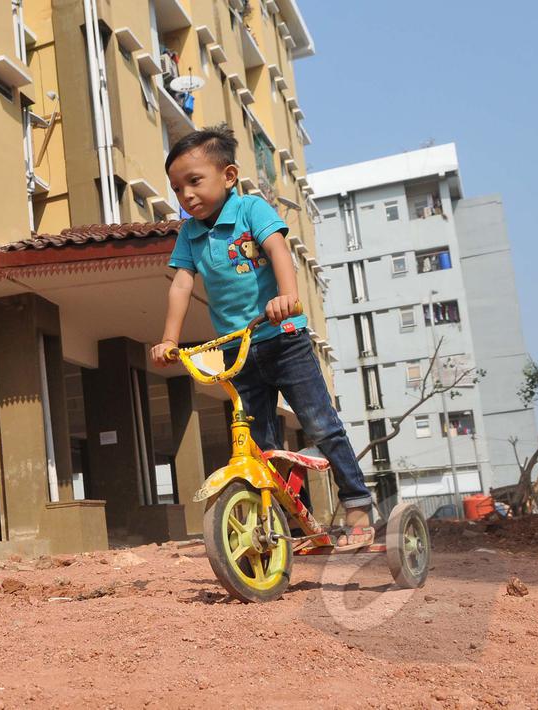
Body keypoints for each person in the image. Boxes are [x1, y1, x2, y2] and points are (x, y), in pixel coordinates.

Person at [150, 124, 375, 550]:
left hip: (283, 338)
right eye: (178, 189)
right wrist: (168, 339)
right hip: (238, 349)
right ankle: (282, 521)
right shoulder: (189, 234)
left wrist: (288, 296)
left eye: (194, 181)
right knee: (258, 442)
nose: (186, 196)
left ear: (229, 176)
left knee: (319, 423)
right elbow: (181, 284)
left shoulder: (251, 209)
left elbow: (277, 250)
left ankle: (357, 503)